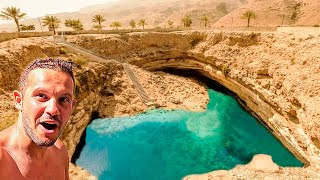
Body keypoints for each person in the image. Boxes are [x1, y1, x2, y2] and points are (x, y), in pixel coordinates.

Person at [0, 58, 77, 179]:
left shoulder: (60, 152)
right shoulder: (2, 159)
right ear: (19, 100)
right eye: (41, 96)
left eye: (63, 99)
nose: (53, 110)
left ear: (72, 106)